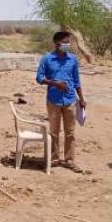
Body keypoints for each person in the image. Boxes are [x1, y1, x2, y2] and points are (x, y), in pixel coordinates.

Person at [36, 31, 87, 173]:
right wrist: (55, 83)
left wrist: (81, 99)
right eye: (65, 42)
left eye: (68, 42)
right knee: (54, 131)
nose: (67, 45)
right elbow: (39, 78)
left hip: (70, 99)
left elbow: (77, 81)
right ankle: (54, 159)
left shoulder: (73, 60)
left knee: (70, 132)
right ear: (56, 43)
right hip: (53, 101)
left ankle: (69, 160)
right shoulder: (47, 59)